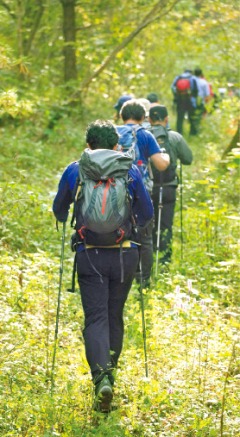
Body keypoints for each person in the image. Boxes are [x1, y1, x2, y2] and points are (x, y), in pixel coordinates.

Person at [52, 120, 153, 413]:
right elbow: (146, 212)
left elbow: (59, 210)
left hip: (90, 254)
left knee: (95, 317)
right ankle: (111, 370)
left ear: (88, 145)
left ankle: (101, 380)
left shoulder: (76, 169)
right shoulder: (129, 169)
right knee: (114, 314)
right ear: (116, 145)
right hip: (124, 254)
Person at [117, 99, 170, 286]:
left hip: (115, 190)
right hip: (141, 191)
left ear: (121, 116)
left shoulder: (112, 134)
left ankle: (122, 277)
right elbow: (161, 164)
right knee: (145, 236)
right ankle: (143, 280)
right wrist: (166, 155)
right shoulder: (145, 135)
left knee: (119, 233)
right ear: (143, 117)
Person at [149, 105, 193, 265]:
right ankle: (164, 261)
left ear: (149, 120)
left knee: (147, 223)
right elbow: (188, 159)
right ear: (166, 119)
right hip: (168, 187)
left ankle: (146, 260)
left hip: (147, 188)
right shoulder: (174, 137)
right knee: (166, 224)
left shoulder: (143, 136)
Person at [171, 69, 198, 135]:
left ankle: (179, 133)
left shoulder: (178, 77)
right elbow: (195, 90)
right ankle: (192, 133)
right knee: (191, 117)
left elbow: (172, 87)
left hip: (180, 99)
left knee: (180, 117)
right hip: (189, 100)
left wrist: (176, 94)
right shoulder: (192, 78)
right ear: (191, 72)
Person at [192, 67, 211, 132]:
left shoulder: (191, 80)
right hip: (200, 101)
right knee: (199, 117)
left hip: (191, 101)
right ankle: (196, 131)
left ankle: (192, 130)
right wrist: (207, 103)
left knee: (192, 115)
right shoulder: (204, 82)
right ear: (201, 74)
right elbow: (207, 94)